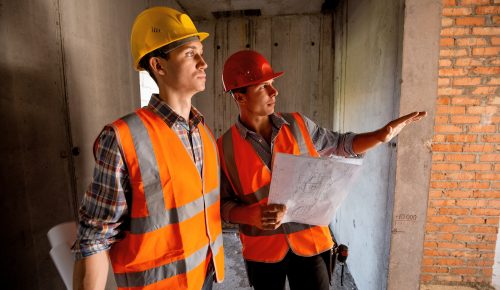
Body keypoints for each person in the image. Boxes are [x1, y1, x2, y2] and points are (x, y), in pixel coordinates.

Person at [217, 50, 426, 290]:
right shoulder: (224, 148)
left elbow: (340, 144)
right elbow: (223, 206)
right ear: (239, 96)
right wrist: (251, 216)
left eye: (272, 84)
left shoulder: (298, 124)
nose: (275, 92)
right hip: (262, 252)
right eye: (264, 86)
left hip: (311, 243)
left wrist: (381, 135)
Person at [72, 7, 224, 290]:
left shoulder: (203, 132)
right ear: (159, 65)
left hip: (204, 275)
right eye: (191, 53)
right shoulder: (122, 138)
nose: (204, 63)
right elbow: (94, 238)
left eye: (201, 52)